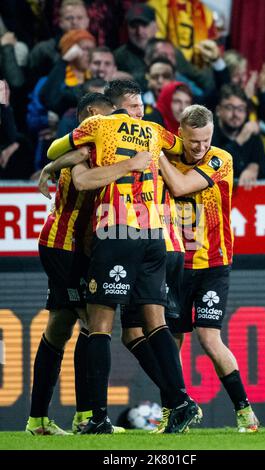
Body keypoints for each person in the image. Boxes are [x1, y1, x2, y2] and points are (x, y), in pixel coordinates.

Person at [47, 79, 200, 434]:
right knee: (155, 321)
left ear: (106, 105)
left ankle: (98, 417)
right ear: (127, 104)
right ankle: (180, 401)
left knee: (99, 325)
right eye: (136, 104)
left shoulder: (96, 125)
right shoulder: (154, 131)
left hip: (116, 230)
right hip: (154, 235)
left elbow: (56, 148)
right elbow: (188, 151)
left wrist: (55, 164)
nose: (140, 111)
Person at [26, 92, 152, 435]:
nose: (116, 122)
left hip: (79, 248)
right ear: (93, 115)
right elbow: (81, 177)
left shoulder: (93, 149)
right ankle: (86, 416)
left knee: (61, 326)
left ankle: (47, 419)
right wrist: (128, 164)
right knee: (91, 323)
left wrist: (49, 166)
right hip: (62, 245)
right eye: (111, 114)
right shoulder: (85, 150)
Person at [158, 104, 259, 433]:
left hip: (213, 264)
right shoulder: (170, 156)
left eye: (205, 140)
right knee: (170, 341)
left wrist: (156, 155)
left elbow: (180, 187)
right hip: (175, 263)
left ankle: (244, 410)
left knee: (208, 336)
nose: (200, 148)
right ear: (180, 135)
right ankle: (173, 411)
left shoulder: (220, 159)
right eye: (193, 142)